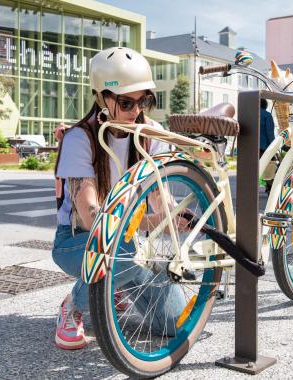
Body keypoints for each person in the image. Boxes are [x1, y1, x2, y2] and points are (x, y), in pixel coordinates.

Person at [51, 47, 186, 350]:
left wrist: (170, 218)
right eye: (126, 102)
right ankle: (72, 304)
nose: (136, 111)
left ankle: (116, 284)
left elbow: (158, 197)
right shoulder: (80, 138)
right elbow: (89, 216)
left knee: (174, 323)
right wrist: (151, 222)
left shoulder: (151, 133)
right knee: (120, 249)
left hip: (128, 243)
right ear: (102, 98)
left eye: (145, 101)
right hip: (78, 241)